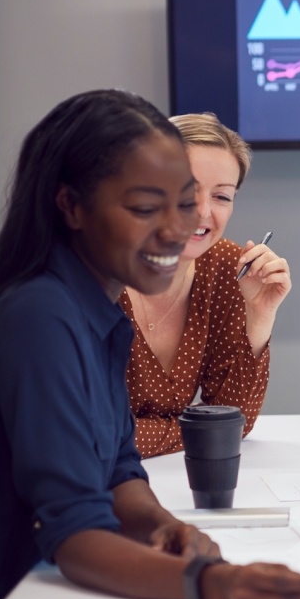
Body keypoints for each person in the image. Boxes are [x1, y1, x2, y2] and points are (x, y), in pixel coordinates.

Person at [0, 90, 300, 599]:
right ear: (71, 206)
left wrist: (163, 525)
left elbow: (116, 467)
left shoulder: (99, 302)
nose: (180, 226)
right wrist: (212, 585)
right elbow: (71, 530)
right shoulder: (42, 311)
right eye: (144, 206)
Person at [121, 113, 290, 458]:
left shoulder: (224, 266)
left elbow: (233, 422)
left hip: (163, 479)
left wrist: (259, 316)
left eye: (222, 197)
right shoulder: (94, 269)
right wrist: (197, 432)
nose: (202, 212)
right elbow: (87, 435)